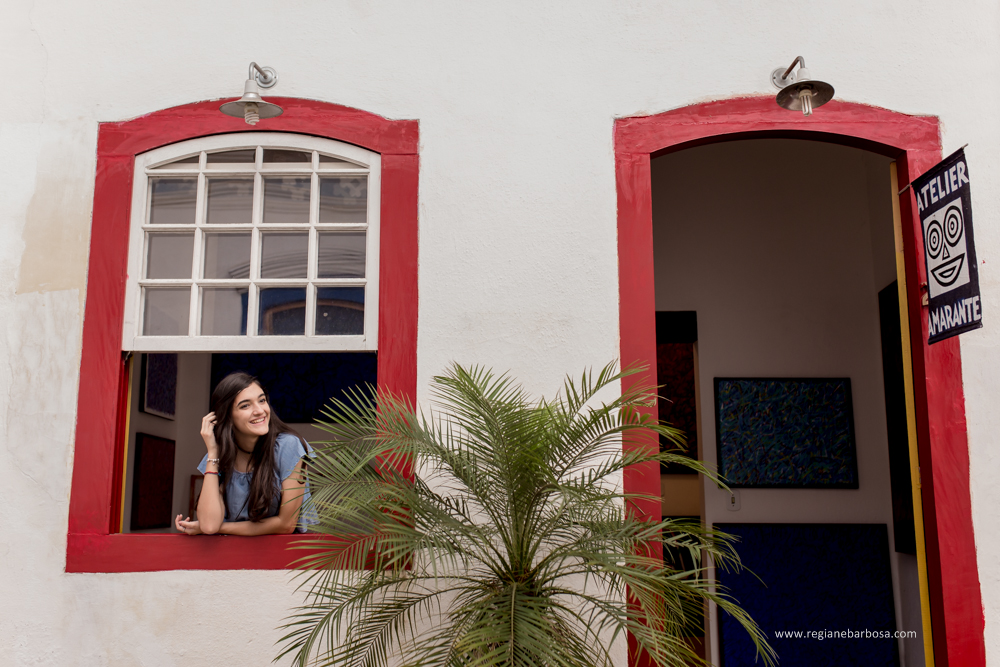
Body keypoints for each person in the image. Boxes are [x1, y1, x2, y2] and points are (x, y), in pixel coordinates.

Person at [174, 371, 316, 535]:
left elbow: (286, 524)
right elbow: (209, 526)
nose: (260, 411)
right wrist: (213, 452)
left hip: (287, 555)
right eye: (245, 405)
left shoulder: (288, 446)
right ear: (226, 416)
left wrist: (222, 528)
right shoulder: (221, 455)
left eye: (262, 400)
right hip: (236, 556)